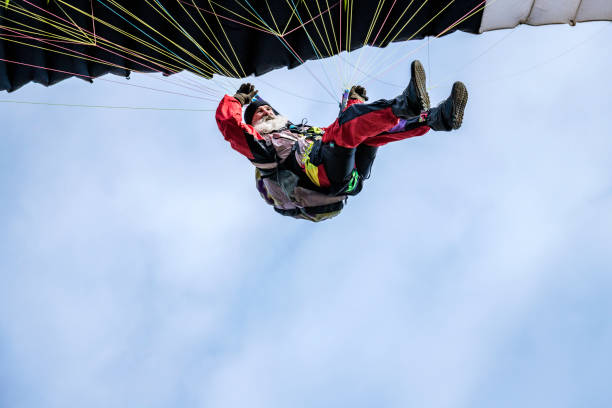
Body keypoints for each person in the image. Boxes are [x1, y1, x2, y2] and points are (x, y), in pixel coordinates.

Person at [215, 60, 468, 222]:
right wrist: (237, 100)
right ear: (253, 124)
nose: (267, 111)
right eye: (260, 112)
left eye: (269, 109)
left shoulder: (300, 133)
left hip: (343, 175)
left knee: (368, 135)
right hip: (321, 177)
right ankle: (406, 104)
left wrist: (353, 101)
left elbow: (344, 128)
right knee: (346, 129)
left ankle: (439, 118)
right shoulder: (263, 149)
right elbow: (232, 128)